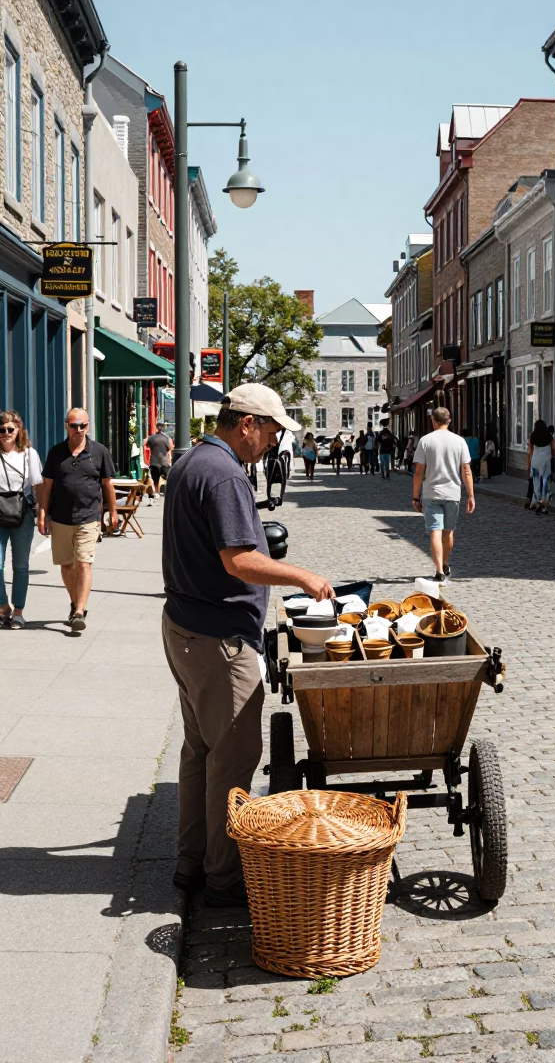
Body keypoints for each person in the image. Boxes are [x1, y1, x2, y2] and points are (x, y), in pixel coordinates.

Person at [162, 382, 334, 907]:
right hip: (217, 639)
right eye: (272, 431)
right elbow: (238, 561)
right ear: (247, 425)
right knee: (234, 758)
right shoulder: (223, 475)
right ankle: (225, 877)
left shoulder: (192, 460)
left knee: (200, 753)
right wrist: (301, 576)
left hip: (186, 627)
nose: (273, 442)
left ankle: (191, 864)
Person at [37, 408, 117, 632]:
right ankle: (75, 603)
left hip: (89, 516)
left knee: (83, 563)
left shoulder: (99, 451)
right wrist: (42, 513)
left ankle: (79, 611)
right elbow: (47, 486)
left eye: (83, 426)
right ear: (66, 426)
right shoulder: (56, 453)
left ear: (88, 426)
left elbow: (107, 484)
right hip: (61, 518)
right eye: (74, 426)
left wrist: (113, 511)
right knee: (66, 566)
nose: (79, 430)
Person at [412, 407, 475, 581]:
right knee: (448, 533)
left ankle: (439, 570)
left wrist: (415, 496)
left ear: (433, 420)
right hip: (453, 493)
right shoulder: (460, 441)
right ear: (449, 420)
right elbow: (466, 470)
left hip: (432, 493)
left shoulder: (425, 441)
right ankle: (445, 562)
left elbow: (419, 472)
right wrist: (471, 495)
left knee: (435, 532)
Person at [0, 410, 43, 629]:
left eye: (10, 429)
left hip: (22, 512)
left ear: (18, 430)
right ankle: (3, 606)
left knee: (20, 565)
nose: (6, 433)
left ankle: (18, 611)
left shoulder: (29, 454)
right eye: (2, 430)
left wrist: (43, 512)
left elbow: (38, 485)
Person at [527, 419, 555, 515]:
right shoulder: (549, 436)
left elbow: (530, 452)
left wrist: (528, 465)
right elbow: (554, 449)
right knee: (545, 482)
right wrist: (551, 456)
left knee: (536, 482)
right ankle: (544, 503)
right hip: (546, 461)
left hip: (535, 461)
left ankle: (537, 500)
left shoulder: (533, 436)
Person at [143, 422, 173, 496]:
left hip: (154, 461)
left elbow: (144, 443)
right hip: (164, 461)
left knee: (155, 480)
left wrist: (145, 459)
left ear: (156, 428)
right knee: (168, 478)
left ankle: (156, 492)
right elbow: (170, 448)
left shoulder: (151, 438)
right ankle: (169, 492)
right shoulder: (167, 438)